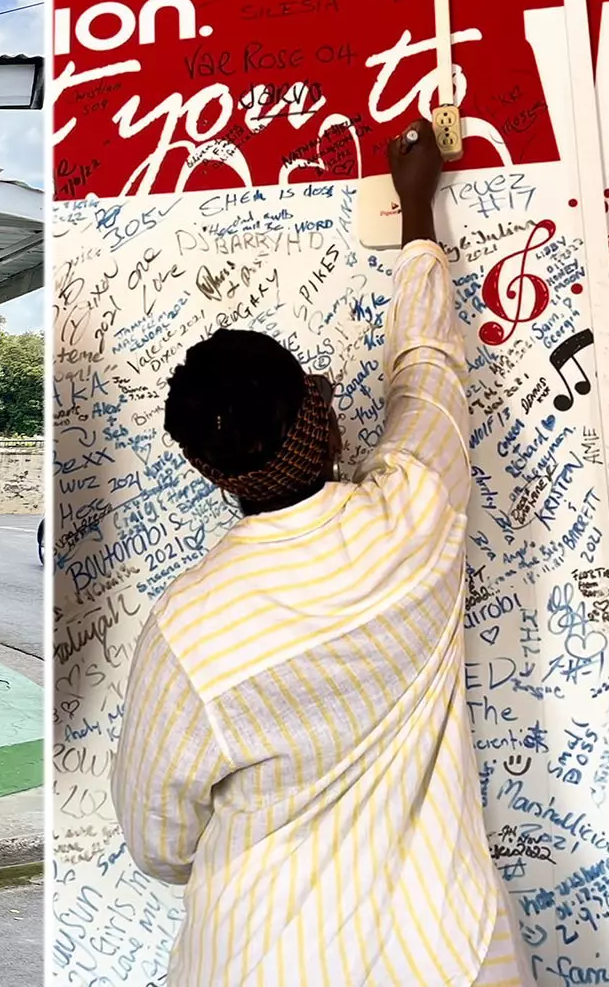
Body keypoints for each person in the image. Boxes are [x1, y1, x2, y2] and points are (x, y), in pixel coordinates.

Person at [110, 121, 525, 986]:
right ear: (323, 412)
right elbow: (427, 367)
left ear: (210, 472)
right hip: (444, 955)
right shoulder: (417, 515)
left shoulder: (190, 631)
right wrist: (416, 204)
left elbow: (158, 842)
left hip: (259, 960)